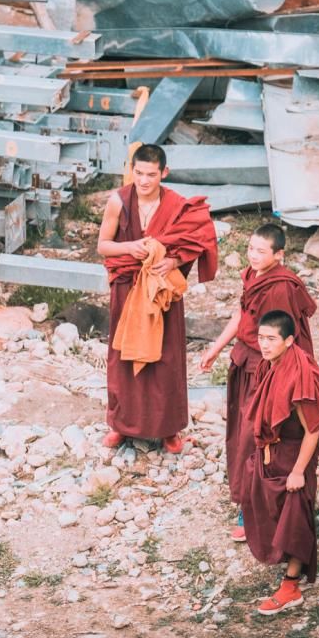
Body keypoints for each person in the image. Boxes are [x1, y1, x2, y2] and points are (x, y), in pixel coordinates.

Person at [199, 223, 317, 541]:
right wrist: (216, 347)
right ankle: (246, 499)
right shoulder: (254, 276)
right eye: (250, 248)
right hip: (246, 359)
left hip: (266, 369)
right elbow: (242, 316)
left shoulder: (281, 288)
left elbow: (280, 340)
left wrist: (278, 382)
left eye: (260, 251)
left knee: (259, 437)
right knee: (241, 433)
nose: (252, 255)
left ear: (278, 255)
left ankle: (254, 509)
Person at [98, 143, 218, 454]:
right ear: (132, 171)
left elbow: (196, 240)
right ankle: (120, 425)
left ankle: (168, 430)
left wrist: (173, 262)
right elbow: (103, 246)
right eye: (138, 173)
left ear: (163, 173)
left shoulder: (177, 205)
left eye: (151, 174)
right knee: (124, 353)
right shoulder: (118, 202)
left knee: (166, 356)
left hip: (162, 289)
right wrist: (131, 247)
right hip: (127, 285)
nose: (144, 181)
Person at [236, 310, 319, 615]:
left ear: (289, 340)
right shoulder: (272, 364)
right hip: (275, 450)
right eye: (261, 338)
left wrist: (299, 471)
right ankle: (286, 567)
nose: (263, 345)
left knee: (295, 516)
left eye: (271, 339)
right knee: (274, 511)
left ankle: (291, 586)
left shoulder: (300, 374)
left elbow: (313, 428)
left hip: (294, 454)